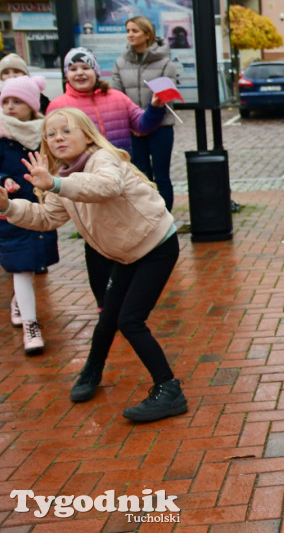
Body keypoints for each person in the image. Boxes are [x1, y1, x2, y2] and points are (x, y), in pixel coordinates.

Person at [0, 107, 187, 422]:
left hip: (155, 245)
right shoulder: (61, 176)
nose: (58, 138)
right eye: (51, 134)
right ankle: (91, 372)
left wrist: (56, 185)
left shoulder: (102, 158)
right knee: (107, 318)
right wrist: (8, 206)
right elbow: (46, 217)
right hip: (126, 254)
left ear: (86, 134)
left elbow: (105, 187)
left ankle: (169, 389)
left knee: (130, 321)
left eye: (66, 131)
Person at [49, 47, 166, 311]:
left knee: (128, 233)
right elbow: (52, 147)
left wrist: (155, 107)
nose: (80, 73)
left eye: (85, 67)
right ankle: (105, 302)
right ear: (66, 75)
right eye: (73, 68)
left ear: (95, 71)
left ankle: (130, 296)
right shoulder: (58, 106)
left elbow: (142, 125)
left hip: (119, 182)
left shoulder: (117, 97)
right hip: (84, 185)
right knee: (96, 242)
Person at [0, 75, 58, 354]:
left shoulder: (43, 132)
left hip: (41, 208)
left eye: (17, 101)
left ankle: (18, 301)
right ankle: (30, 326)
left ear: (31, 106)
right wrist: (4, 181)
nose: (10, 107)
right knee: (21, 264)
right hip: (10, 209)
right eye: (6, 101)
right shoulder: (1, 134)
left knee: (34, 263)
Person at [111, 16, 179, 211]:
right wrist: (136, 123)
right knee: (140, 175)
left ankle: (165, 217)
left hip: (161, 127)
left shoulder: (166, 63)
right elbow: (117, 95)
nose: (130, 35)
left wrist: (149, 121)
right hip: (133, 129)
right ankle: (147, 215)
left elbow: (167, 97)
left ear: (147, 34)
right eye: (128, 31)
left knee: (161, 174)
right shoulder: (120, 63)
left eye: (135, 31)